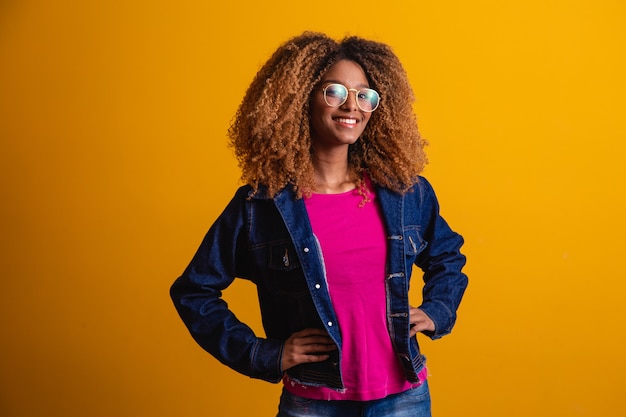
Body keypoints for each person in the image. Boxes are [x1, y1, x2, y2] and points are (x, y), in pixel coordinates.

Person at [170, 32, 468, 417]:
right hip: (313, 403)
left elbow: (447, 255)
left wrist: (438, 310)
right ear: (301, 100)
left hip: (404, 399)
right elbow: (194, 291)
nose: (352, 106)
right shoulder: (262, 205)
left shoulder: (404, 193)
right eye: (335, 92)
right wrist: (266, 354)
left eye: (365, 95)